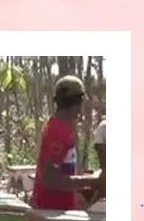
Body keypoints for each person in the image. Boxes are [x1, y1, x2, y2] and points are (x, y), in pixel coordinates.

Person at [31, 76, 102, 210]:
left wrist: (88, 180)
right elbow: (49, 178)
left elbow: (63, 173)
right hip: (50, 214)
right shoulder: (57, 132)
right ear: (78, 102)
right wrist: (92, 182)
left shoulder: (64, 127)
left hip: (60, 212)